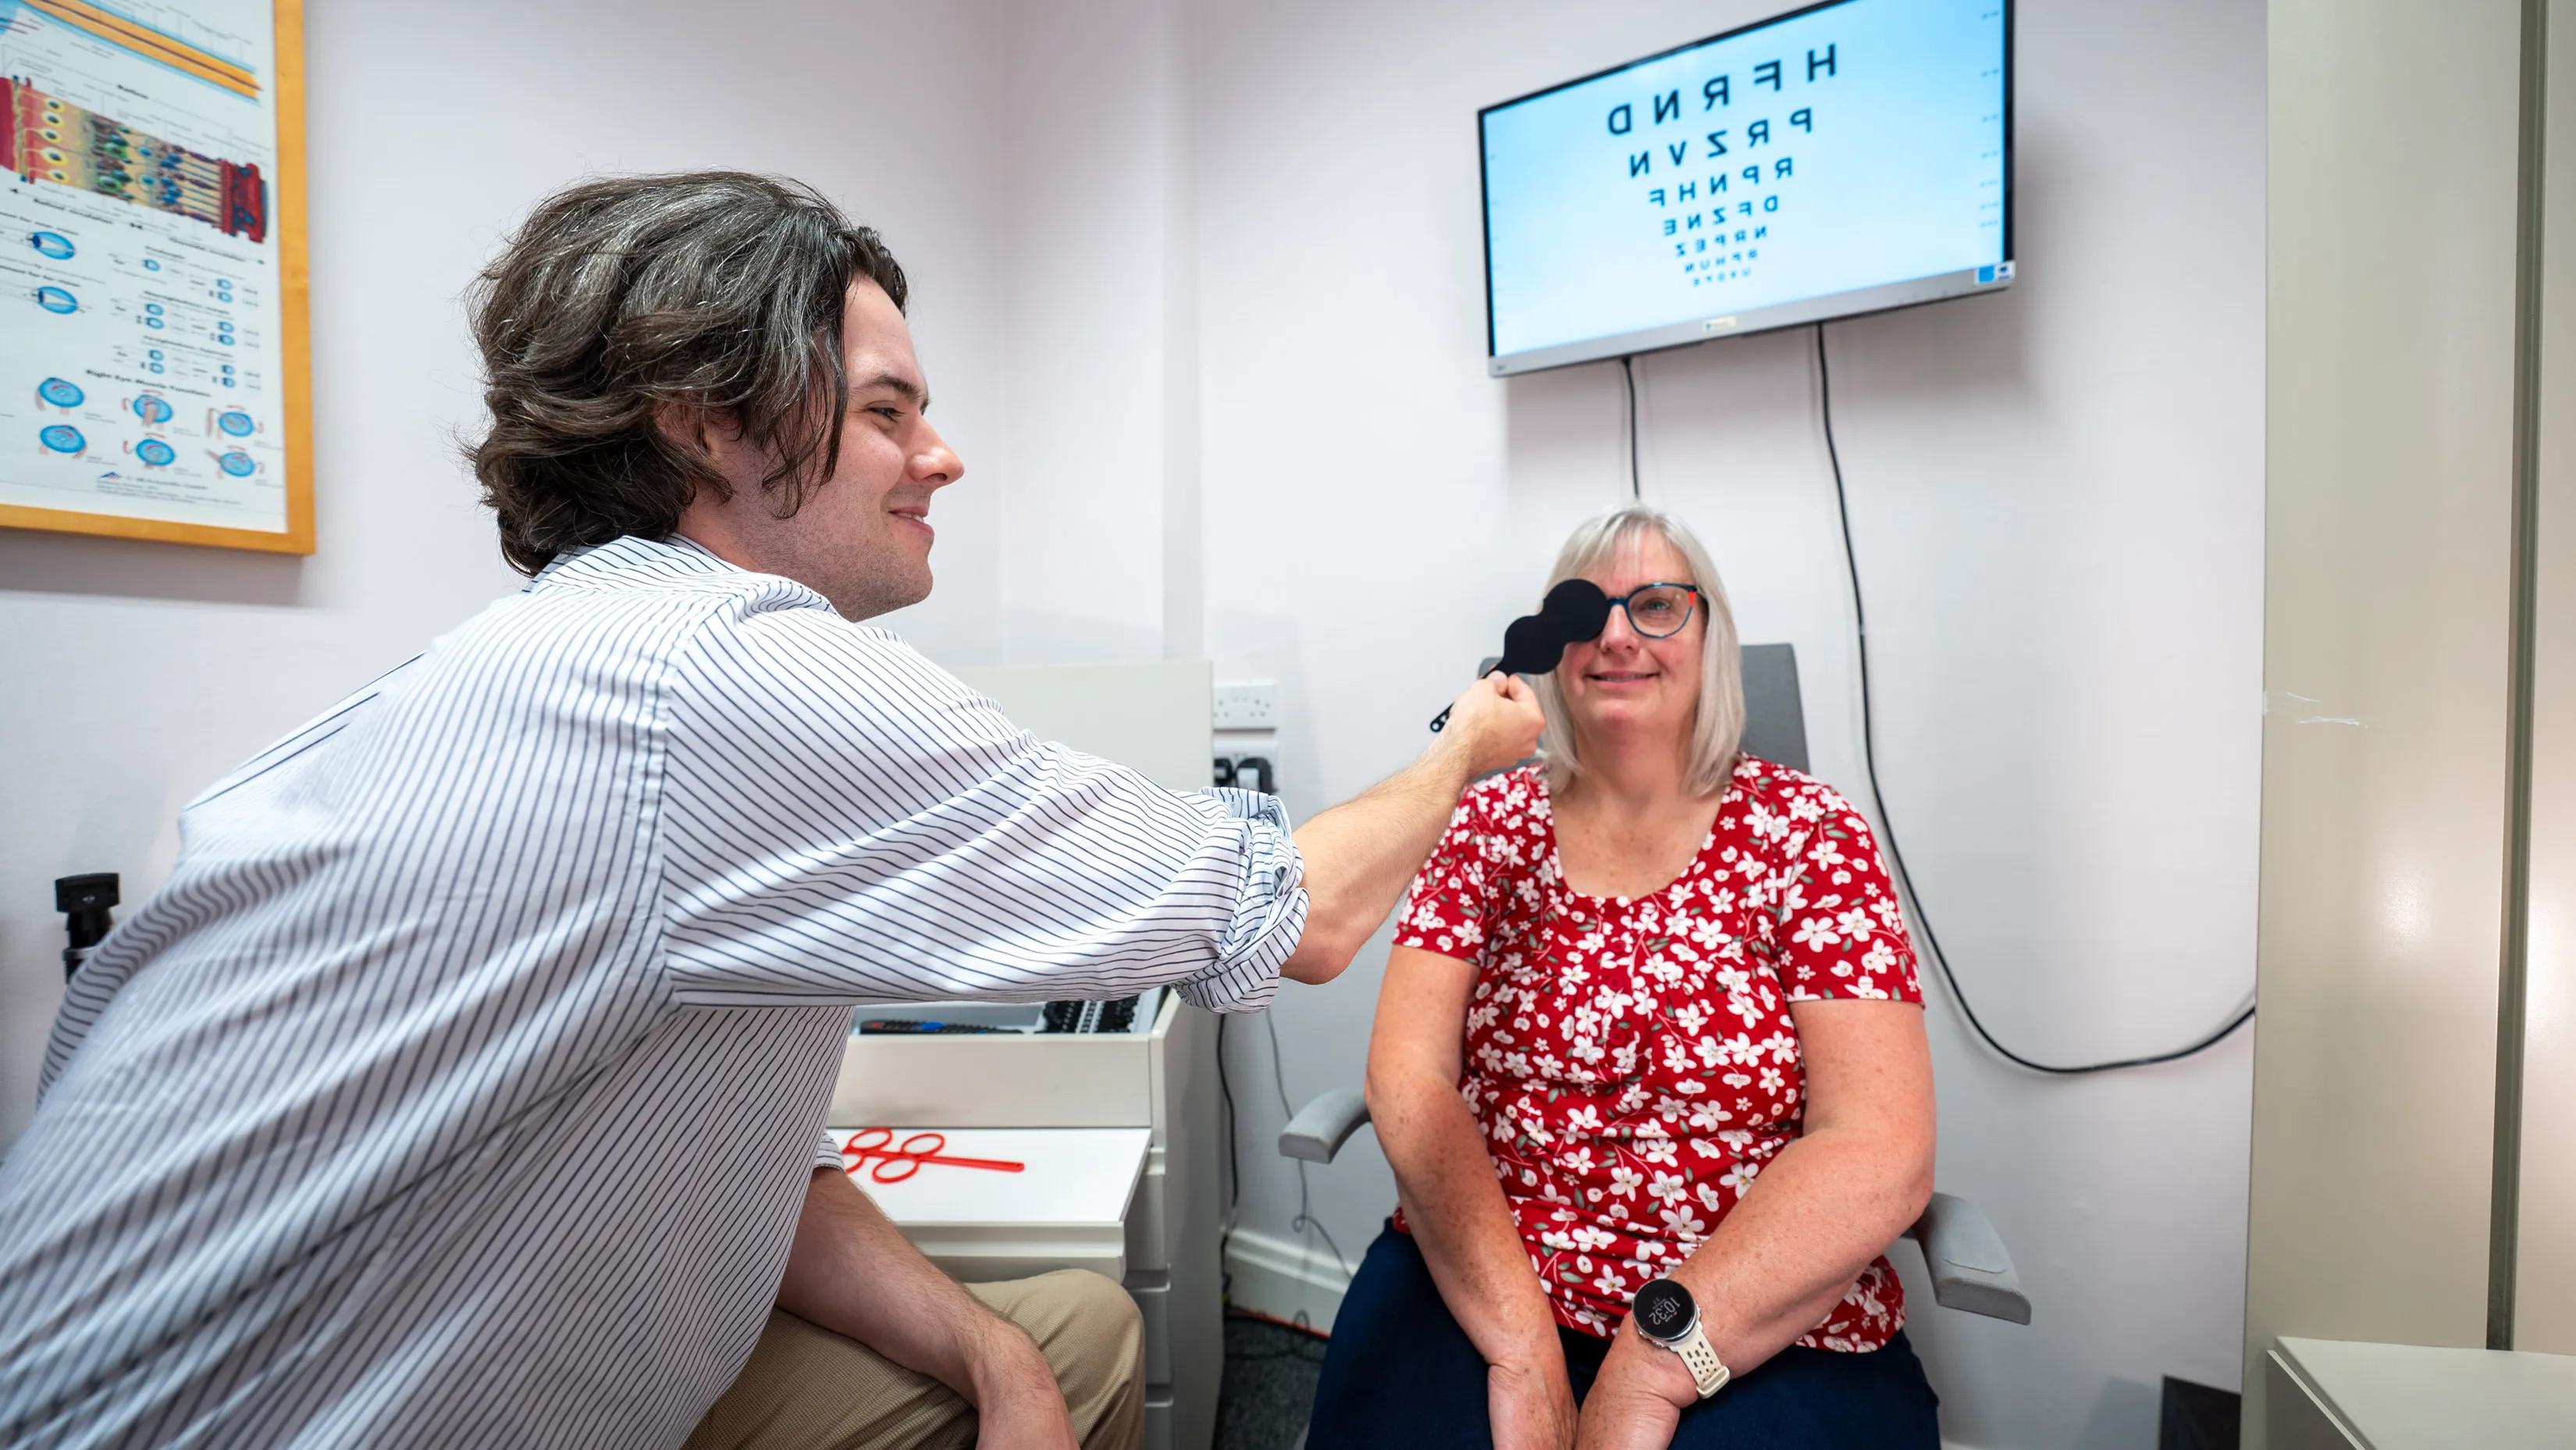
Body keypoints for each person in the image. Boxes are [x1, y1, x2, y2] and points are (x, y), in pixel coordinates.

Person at [0, 172, 1543, 1450]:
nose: (942, 454)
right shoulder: (716, 669)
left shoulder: (548, 656)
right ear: (706, 425)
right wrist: (1465, 746)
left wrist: (992, 1360)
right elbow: (1308, 913)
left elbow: (756, 1170)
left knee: (1056, 1332)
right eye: (889, 409)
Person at [1308, 505, 1942, 1450]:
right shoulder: (1480, 829)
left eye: (1654, 605)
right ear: (1548, 648)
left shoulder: (1811, 836)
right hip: (1492, 1272)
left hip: (1752, 1301)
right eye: (1583, 610)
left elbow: (1880, 1144)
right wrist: (1521, 1345)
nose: (1613, 637)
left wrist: (1654, 1366)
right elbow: (1407, 1079)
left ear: (1708, 635)